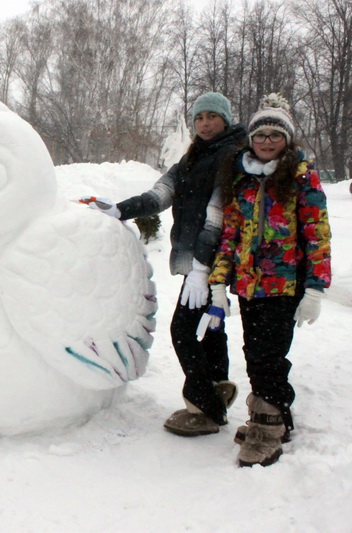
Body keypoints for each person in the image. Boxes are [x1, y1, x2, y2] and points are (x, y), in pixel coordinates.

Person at [89, 92, 246, 436]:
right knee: (210, 328)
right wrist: (118, 209)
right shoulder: (193, 158)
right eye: (199, 117)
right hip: (201, 263)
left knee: (183, 332)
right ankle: (217, 387)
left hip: (214, 262)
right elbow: (158, 195)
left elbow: (217, 219)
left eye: (211, 116)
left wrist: (203, 269)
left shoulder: (232, 157)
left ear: (226, 119)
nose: (205, 123)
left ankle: (205, 405)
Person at [208, 93, 331, 467]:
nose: (266, 142)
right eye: (260, 135)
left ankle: (267, 429)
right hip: (247, 285)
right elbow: (230, 232)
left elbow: (317, 231)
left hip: (284, 284)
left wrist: (315, 287)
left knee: (268, 357)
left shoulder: (299, 175)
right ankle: (276, 414)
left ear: (287, 140)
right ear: (251, 139)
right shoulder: (240, 176)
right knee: (255, 353)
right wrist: (218, 282)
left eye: (275, 136)